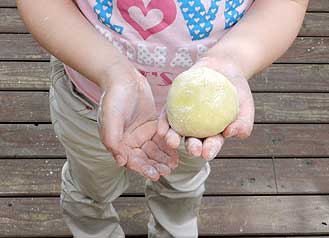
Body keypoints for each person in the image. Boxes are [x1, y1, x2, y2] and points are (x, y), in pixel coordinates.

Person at [16, 0, 308, 237]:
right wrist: (110, 69)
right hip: (90, 100)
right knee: (92, 182)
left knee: (182, 182)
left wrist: (233, 58)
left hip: (196, 126)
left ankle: (174, 226)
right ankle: (93, 226)